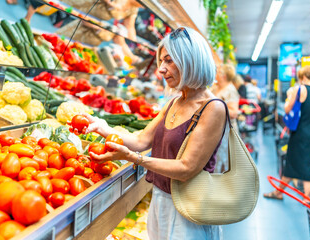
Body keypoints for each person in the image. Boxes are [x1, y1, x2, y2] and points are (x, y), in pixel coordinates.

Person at [84, 27, 225, 239]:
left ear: (190, 60)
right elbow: (141, 140)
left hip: (188, 210)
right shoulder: (175, 102)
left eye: (169, 60)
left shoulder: (213, 108)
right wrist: (104, 128)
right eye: (161, 61)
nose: (161, 69)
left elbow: (186, 168)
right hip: (161, 200)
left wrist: (134, 159)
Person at [264, 66, 310, 201]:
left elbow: (287, 109)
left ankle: (279, 192)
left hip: (300, 131)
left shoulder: (300, 89)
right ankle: (306, 197)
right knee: (309, 162)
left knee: (292, 162)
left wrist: (289, 98)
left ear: (303, 77)